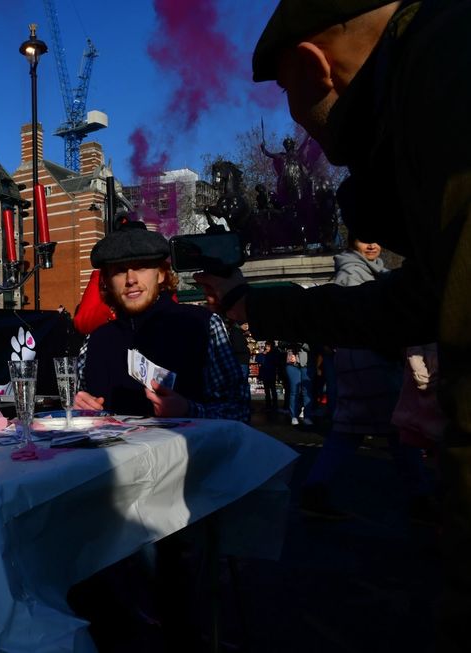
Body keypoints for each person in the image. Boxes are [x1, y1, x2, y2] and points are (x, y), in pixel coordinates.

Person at [196, 1, 471, 648]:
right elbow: (407, 301)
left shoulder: (440, 72)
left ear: (313, 66)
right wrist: (254, 303)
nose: (310, 134)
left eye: (294, 103)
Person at [301, 237, 431, 518]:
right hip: (368, 360)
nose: (372, 245)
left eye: (375, 240)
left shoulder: (366, 270)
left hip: (362, 360)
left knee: (349, 431)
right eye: (364, 240)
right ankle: (421, 496)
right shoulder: (351, 273)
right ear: (352, 244)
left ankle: (315, 488)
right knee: (396, 427)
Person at [74, 222, 249, 421]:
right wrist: (81, 409)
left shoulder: (202, 324)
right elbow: (82, 410)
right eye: (119, 270)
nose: (131, 279)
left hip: (190, 451)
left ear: (161, 274)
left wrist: (188, 410)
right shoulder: (95, 341)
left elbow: (239, 411)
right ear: (107, 281)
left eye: (141, 267)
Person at [284, 342, 314, 426]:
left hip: (306, 364)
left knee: (307, 391)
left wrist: (302, 344)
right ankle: (293, 416)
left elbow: (313, 347)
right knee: (294, 391)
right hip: (292, 364)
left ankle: (307, 416)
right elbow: (280, 344)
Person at [255, 341, 282, 412]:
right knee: (267, 390)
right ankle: (268, 405)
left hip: (271, 373)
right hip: (265, 373)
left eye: (268, 346)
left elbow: (276, 362)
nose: (267, 348)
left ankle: (275, 405)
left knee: (273, 390)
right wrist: (262, 354)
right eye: (266, 346)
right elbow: (257, 360)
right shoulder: (263, 354)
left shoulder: (274, 354)